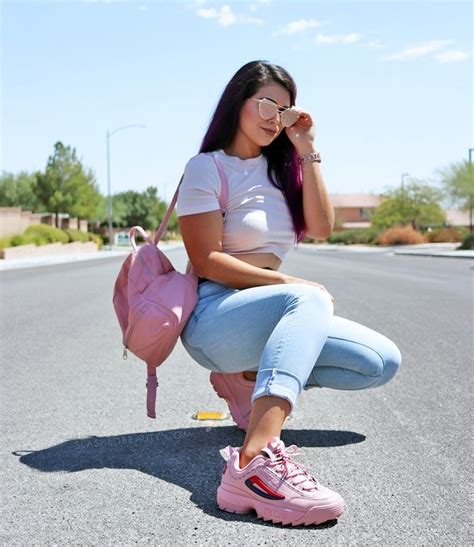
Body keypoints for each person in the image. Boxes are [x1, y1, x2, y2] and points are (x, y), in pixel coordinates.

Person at [176, 60, 401, 527]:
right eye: (264, 103)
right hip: (213, 315)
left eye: (283, 108)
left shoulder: (282, 173)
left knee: (381, 362)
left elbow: (320, 227)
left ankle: (251, 378)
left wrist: (307, 148)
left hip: (265, 312)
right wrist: (292, 284)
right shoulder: (206, 168)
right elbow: (205, 261)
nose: (273, 115)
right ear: (237, 102)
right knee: (309, 299)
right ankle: (253, 461)